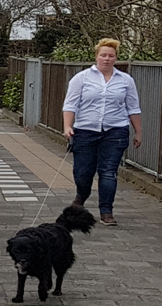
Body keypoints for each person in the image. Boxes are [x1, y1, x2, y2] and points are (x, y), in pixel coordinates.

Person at [61, 37, 142, 226]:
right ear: (96, 56)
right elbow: (70, 104)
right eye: (103, 55)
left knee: (108, 172)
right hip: (85, 130)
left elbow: (133, 107)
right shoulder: (81, 78)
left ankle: (106, 211)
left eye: (111, 56)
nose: (107, 59)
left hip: (115, 131)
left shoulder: (125, 80)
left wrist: (138, 132)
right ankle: (81, 196)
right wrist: (67, 126)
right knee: (83, 172)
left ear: (116, 58)